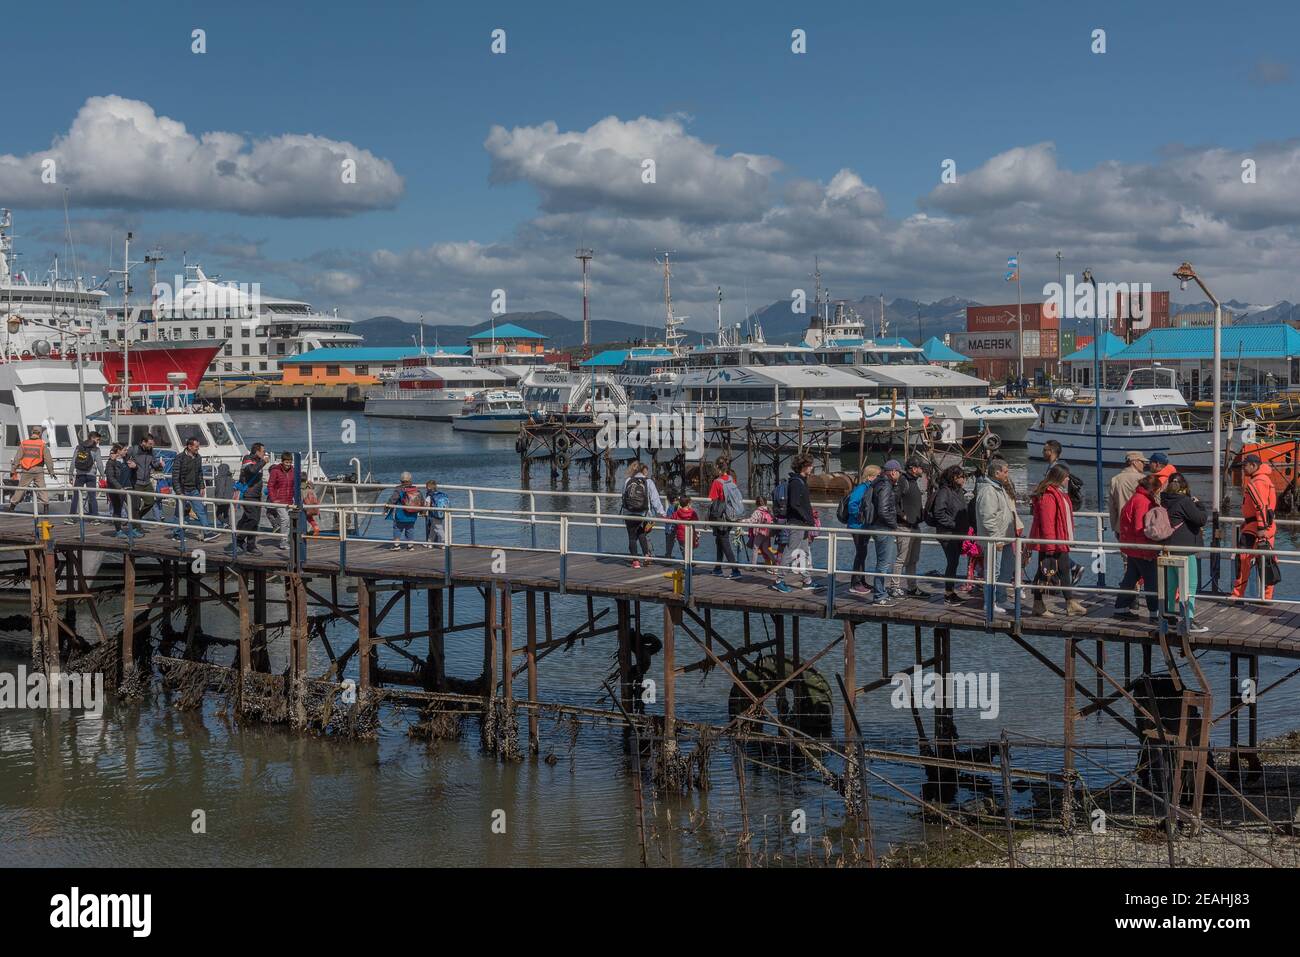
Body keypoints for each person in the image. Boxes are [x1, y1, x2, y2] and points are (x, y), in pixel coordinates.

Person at [1028, 464, 1087, 617]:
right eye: (1066, 476)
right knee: (1044, 572)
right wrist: (1049, 547)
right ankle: (1039, 604)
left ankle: (1069, 601)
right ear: (1059, 478)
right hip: (1052, 542)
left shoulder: (1059, 493)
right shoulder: (1048, 495)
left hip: (1060, 539)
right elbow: (1047, 522)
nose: (1068, 479)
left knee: (1063, 569)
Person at [1160, 472, 1207, 632]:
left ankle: (1169, 616)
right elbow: (1200, 519)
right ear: (1184, 487)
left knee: (1172, 585)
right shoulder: (1185, 501)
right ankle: (1189, 619)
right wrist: (1199, 505)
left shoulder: (1164, 499)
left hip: (1168, 547)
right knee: (1190, 584)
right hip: (1185, 549)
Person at [1114, 474, 1162, 621]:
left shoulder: (1136, 498)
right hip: (1141, 548)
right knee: (1151, 581)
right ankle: (1155, 613)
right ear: (1153, 489)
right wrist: (1147, 550)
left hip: (1132, 547)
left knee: (1131, 577)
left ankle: (1121, 607)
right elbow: (1140, 528)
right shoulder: (1142, 501)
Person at [974, 458, 1018, 613]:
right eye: (1005, 472)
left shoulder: (1000, 488)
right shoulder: (988, 491)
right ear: (997, 472)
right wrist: (996, 537)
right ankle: (989, 602)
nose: (1007, 474)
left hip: (1005, 537)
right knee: (994, 570)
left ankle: (1001, 598)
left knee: (1007, 567)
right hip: (995, 539)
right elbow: (988, 517)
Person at [1232, 453, 1277, 601]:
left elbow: (1260, 506)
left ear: (1253, 466)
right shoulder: (1264, 479)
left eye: (1245, 465)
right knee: (1266, 560)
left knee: (1243, 559)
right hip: (1261, 526)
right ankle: (1267, 596)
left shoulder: (1257, 482)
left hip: (1257, 528)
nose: (1243, 468)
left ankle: (1238, 594)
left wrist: (1261, 528)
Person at [772, 455, 819, 593]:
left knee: (804, 550)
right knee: (790, 550)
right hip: (797, 522)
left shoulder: (801, 481)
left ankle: (807, 580)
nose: (812, 467)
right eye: (810, 465)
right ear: (803, 466)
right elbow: (794, 504)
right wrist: (807, 518)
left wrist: (809, 519)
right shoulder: (796, 483)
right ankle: (779, 580)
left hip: (803, 523)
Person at [928, 465, 969, 606]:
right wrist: (953, 524)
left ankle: (950, 592)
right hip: (948, 533)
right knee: (952, 562)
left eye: (964, 476)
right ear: (953, 477)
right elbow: (939, 512)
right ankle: (948, 594)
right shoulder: (944, 492)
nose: (963, 479)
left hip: (957, 534)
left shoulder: (958, 492)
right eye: (961, 476)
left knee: (954, 562)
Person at [863, 460, 901, 605]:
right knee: (884, 563)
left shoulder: (877, 483)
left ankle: (881, 593)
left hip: (875, 525)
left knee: (882, 561)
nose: (899, 475)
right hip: (883, 527)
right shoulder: (885, 486)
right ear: (893, 472)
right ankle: (879, 596)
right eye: (899, 472)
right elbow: (883, 510)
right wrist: (893, 525)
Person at [169, 436, 219, 542]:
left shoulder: (198, 457)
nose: (198, 448)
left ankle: (207, 533)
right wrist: (179, 492)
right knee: (180, 512)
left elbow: (199, 473)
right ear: (189, 446)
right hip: (182, 490)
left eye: (198, 446)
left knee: (200, 510)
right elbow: (175, 477)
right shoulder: (180, 458)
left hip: (194, 489)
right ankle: (176, 533)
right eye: (196, 447)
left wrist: (202, 486)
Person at [890, 457, 927, 598]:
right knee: (902, 558)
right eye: (920, 468)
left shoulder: (914, 482)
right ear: (913, 469)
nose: (922, 470)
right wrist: (902, 515)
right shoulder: (903, 481)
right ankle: (894, 587)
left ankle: (912, 587)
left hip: (915, 526)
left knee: (913, 559)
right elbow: (893, 501)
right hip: (904, 527)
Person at [845, 464, 880, 595]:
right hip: (857, 526)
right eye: (877, 476)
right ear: (870, 476)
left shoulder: (868, 488)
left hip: (864, 526)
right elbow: (852, 503)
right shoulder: (861, 488)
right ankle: (855, 583)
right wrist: (860, 516)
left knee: (863, 553)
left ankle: (862, 580)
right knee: (860, 553)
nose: (879, 478)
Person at [706, 457, 744, 579]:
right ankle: (718, 568)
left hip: (721, 517)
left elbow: (712, 499)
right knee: (719, 541)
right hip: (731, 515)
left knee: (724, 542)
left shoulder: (717, 482)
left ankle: (735, 570)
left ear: (717, 467)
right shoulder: (731, 479)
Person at [7, 425, 56, 513]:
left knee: (21, 488)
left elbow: (17, 458)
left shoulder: (24, 443)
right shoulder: (42, 444)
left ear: (32, 432)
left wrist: (13, 470)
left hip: (26, 470)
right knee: (42, 488)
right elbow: (48, 459)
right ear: (40, 433)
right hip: (38, 470)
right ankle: (46, 508)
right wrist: (51, 471)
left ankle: (12, 507)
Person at [124, 434, 163, 538]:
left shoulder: (151, 451)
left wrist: (159, 465)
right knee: (135, 507)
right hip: (135, 482)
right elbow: (125, 458)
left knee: (150, 502)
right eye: (150, 444)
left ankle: (136, 518)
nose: (151, 446)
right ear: (143, 442)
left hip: (146, 482)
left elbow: (153, 464)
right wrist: (130, 464)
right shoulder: (134, 450)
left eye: (152, 444)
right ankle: (137, 526)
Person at [232, 443, 269, 554]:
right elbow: (251, 471)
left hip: (256, 495)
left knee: (253, 521)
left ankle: (251, 545)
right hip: (248, 495)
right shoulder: (247, 459)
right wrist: (263, 462)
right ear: (257, 451)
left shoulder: (258, 461)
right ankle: (239, 539)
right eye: (263, 451)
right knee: (253, 519)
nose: (264, 453)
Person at [65, 429, 104, 523]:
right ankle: (94, 518)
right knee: (92, 496)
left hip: (80, 474)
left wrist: (70, 474)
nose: (98, 442)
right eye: (98, 440)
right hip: (91, 475)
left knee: (76, 496)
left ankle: (72, 517)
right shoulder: (96, 449)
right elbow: (99, 463)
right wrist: (102, 474)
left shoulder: (79, 447)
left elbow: (73, 461)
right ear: (93, 438)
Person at [620, 462, 654, 568]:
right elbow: (654, 499)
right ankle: (647, 555)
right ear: (643, 470)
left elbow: (623, 495)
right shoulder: (648, 481)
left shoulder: (627, 480)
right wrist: (661, 513)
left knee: (632, 537)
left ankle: (636, 561)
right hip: (642, 512)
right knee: (641, 533)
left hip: (629, 512)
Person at [1108, 451, 1147, 533]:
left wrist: (1114, 526)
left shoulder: (1115, 479)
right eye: (1142, 462)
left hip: (1121, 527)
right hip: (1140, 527)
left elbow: (1112, 506)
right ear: (1134, 462)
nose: (1144, 464)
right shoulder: (1144, 479)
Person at [265, 452, 296, 550]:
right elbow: (270, 485)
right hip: (279, 500)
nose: (288, 464)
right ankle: (283, 542)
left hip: (289, 500)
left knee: (289, 521)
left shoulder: (293, 471)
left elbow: (295, 484)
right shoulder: (276, 471)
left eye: (290, 462)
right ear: (282, 461)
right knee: (285, 519)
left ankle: (287, 539)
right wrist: (274, 499)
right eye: (286, 462)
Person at [386, 471, 423, 549]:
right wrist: (422, 511)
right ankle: (410, 546)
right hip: (412, 514)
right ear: (410, 480)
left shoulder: (399, 489)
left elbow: (393, 499)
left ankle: (396, 545)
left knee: (397, 528)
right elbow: (421, 501)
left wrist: (386, 507)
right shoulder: (415, 490)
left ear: (401, 480)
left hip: (401, 513)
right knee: (410, 529)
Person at [744, 495, 778, 572]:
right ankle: (775, 561)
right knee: (765, 548)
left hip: (759, 532)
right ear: (765, 502)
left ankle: (753, 566)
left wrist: (741, 521)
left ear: (757, 503)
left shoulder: (757, 511)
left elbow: (751, 520)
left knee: (755, 548)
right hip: (767, 532)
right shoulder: (768, 510)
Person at [103, 443, 130, 529]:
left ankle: (134, 528)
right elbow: (110, 477)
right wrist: (119, 488)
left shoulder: (126, 460)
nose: (126, 452)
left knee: (134, 507)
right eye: (125, 450)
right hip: (116, 489)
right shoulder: (111, 463)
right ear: (119, 451)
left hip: (127, 488)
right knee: (117, 509)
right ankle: (118, 530)